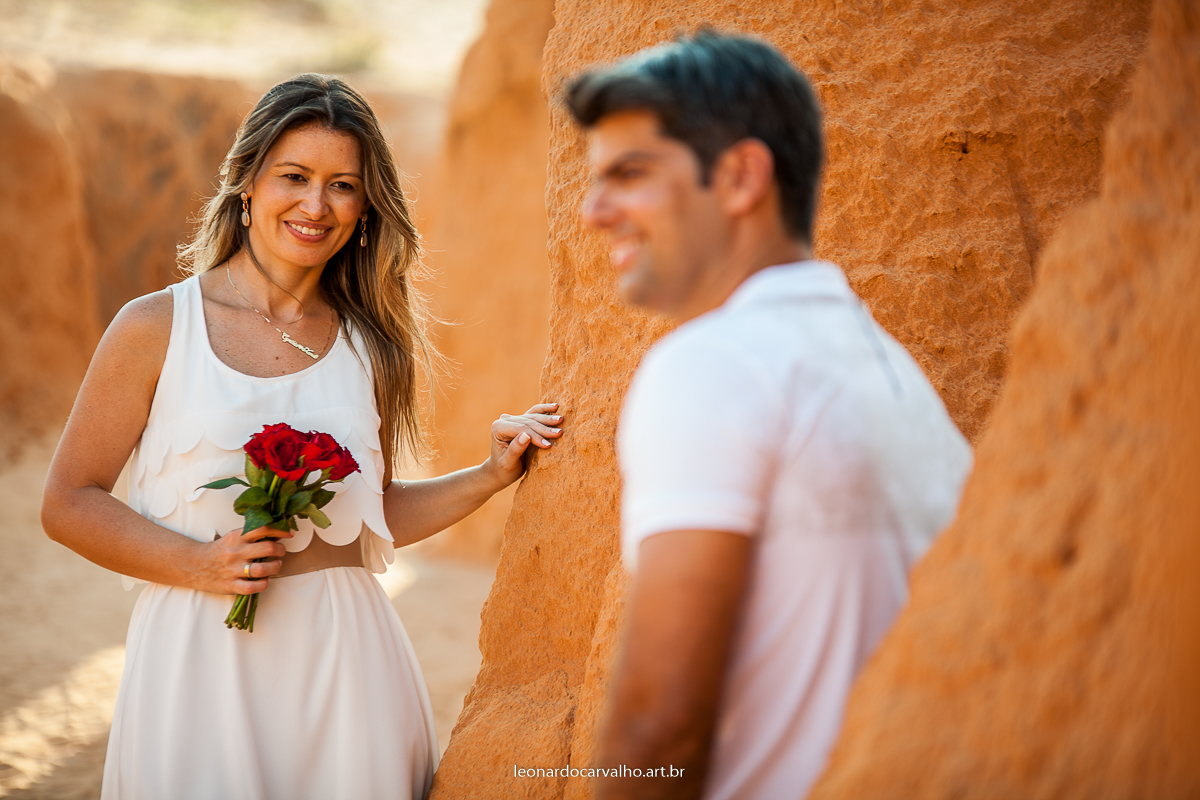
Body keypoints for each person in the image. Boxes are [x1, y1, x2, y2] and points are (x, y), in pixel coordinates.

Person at [40, 73, 564, 800]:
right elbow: (68, 501)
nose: (317, 205)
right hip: (199, 659)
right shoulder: (155, 326)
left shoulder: (372, 345)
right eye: (295, 176)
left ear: (364, 207)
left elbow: (372, 513)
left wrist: (488, 473)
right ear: (247, 182)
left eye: (343, 185)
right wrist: (200, 566)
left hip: (348, 664)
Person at [568, 31, 972, 800]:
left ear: (742, 175)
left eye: (630, 174)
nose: (592, 211)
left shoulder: (717, 363)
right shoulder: (889, 368)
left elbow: (659, 720)